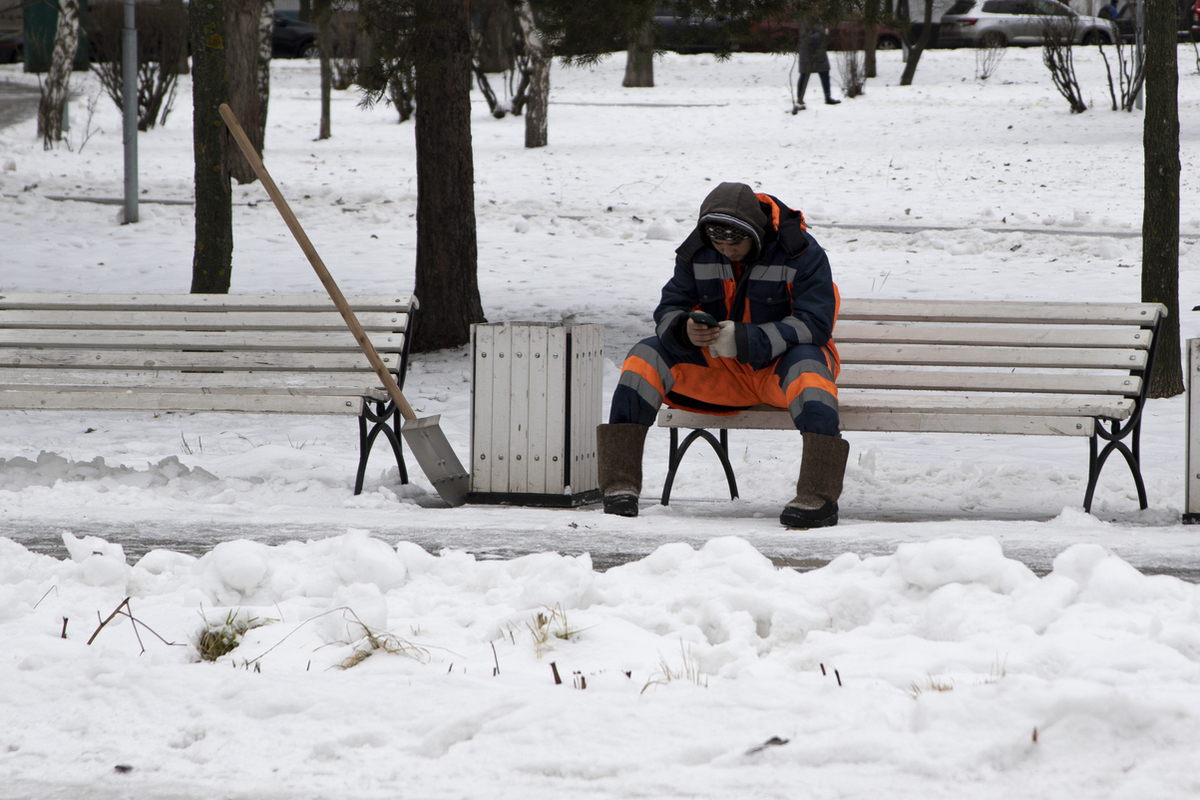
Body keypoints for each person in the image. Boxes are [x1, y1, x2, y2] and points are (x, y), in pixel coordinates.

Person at [597, 182, 849, 528]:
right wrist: (683, 328)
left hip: (778, 371)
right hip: (721, 373)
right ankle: (619, 485)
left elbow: (816, 324)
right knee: (645, 356)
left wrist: (747, 338)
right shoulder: (695, 252)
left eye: (735, 243)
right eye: (718, 243)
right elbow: (670, 307)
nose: (726, 250)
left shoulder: (802, 253)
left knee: (810, 368)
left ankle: (818, 497)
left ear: (756, 234)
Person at [797, 23, 841, 109]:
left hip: (819, 53)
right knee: (804, 74)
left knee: (825, 72)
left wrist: (827, 33)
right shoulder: (806, 20)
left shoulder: (819, 20)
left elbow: (823, 37)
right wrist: (822, 33)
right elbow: (808, 38)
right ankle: (800, 98)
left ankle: (828, 97)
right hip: (808, 54)